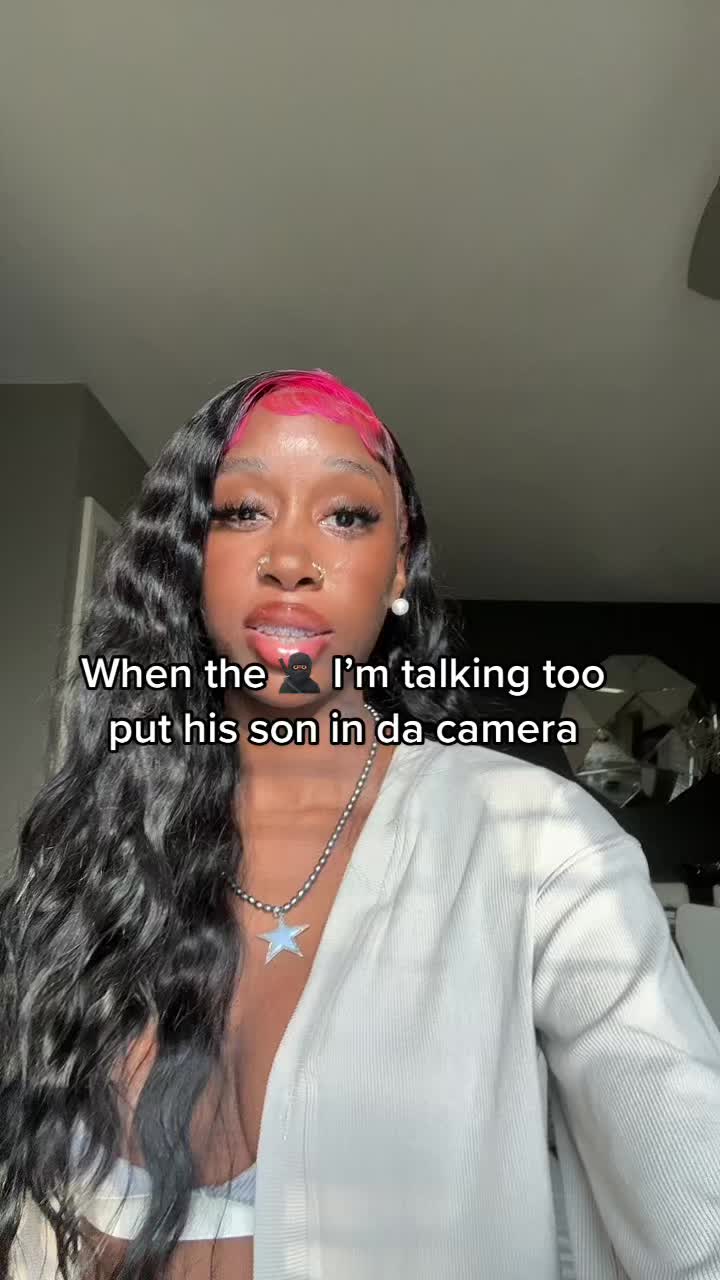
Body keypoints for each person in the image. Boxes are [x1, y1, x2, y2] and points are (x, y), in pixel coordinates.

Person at [2, 369, 720, 1280]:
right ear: (190, 559)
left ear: (399, 565)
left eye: (346, 516)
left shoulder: (533, 838)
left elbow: (698, 1215)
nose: (291, 557)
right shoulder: (97, 853)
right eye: (242, 511)